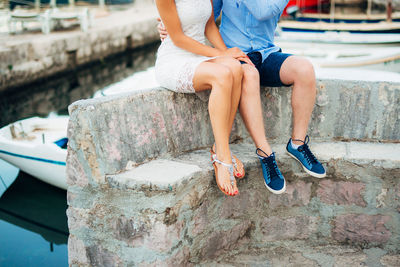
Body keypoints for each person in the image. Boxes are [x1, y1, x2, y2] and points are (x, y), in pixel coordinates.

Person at [158, 0, 326, 195]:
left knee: (305, 69)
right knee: (247, 74)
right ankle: (265, 154)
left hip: (266, 53)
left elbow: (263, 11)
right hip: (235, 54)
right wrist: (171, 21)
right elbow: (207, 16)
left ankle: (297, 144)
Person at [154, 0, 256, 196]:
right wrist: (221, 54)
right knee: (223, 75)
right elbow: (178, 38)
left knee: (235, 68)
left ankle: (220, 146)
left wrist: (228, 54)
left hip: (198, 55)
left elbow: (209, 26)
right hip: (174, 59)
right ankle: (223, 157)